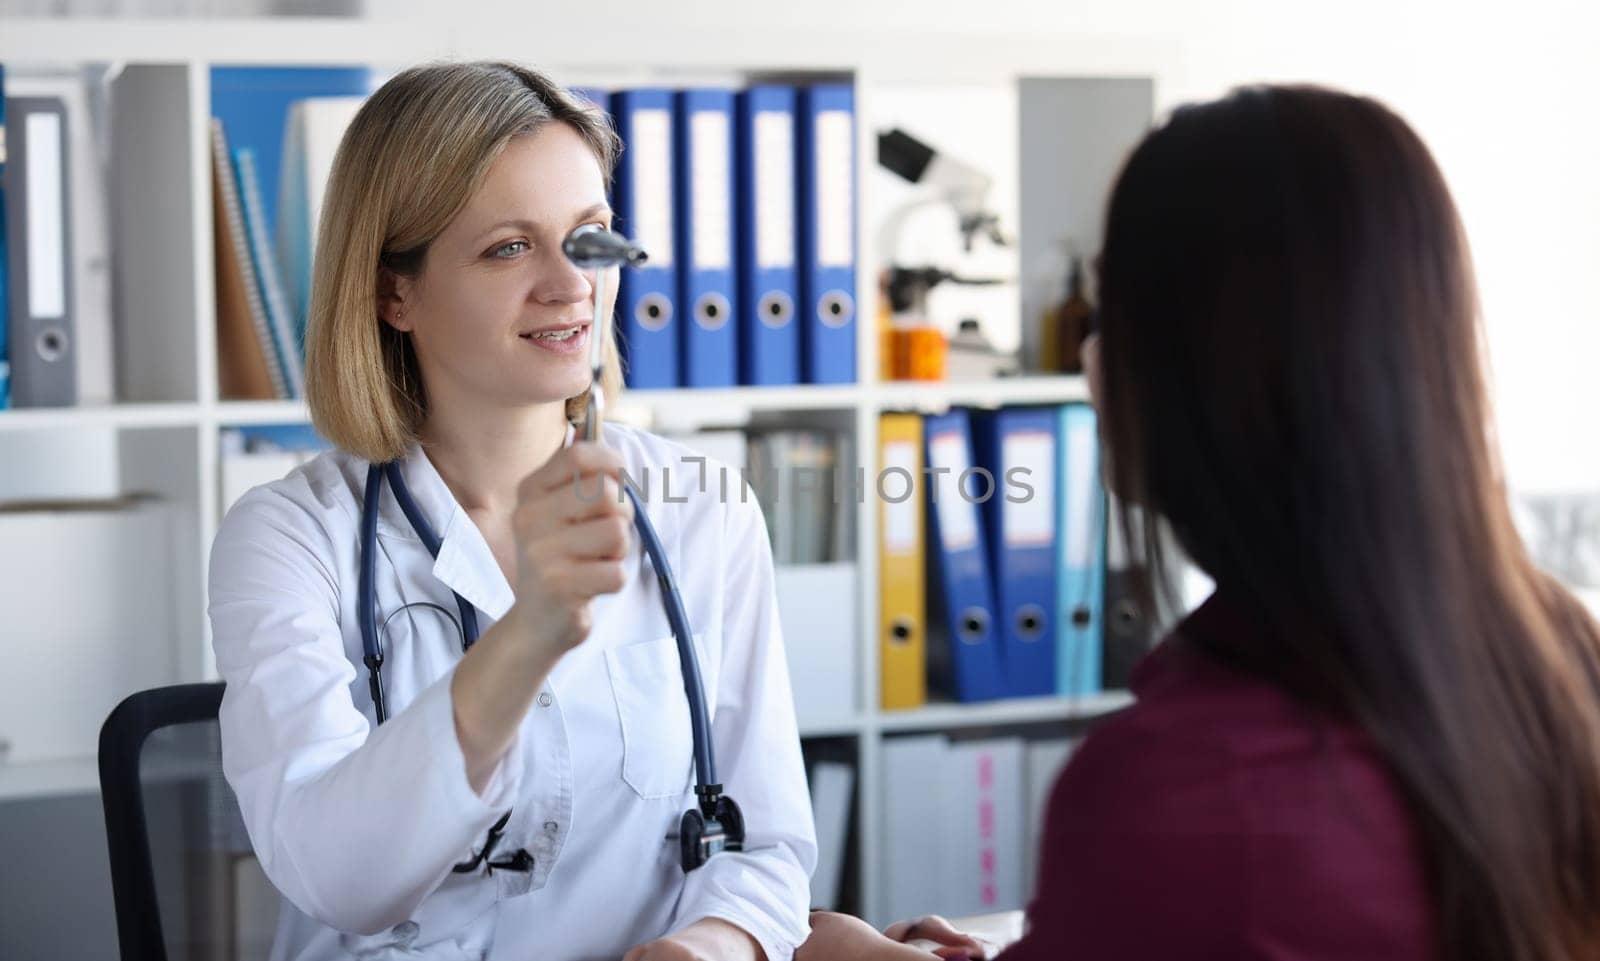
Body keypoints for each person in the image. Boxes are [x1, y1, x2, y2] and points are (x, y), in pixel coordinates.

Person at [803, 84, 1600, 961]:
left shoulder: (1182, 791)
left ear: (1204, 371)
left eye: (1109, 316)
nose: (1090, 359)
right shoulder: (1563, 657)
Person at [209, 61, 816, 961]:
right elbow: (337, 878)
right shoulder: (290, 538)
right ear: (393, 291)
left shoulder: (704, 510)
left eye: (589, 236)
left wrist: (704, 949)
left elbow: (764, 846)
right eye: (507, 247)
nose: (571, 286)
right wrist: (528, 633)